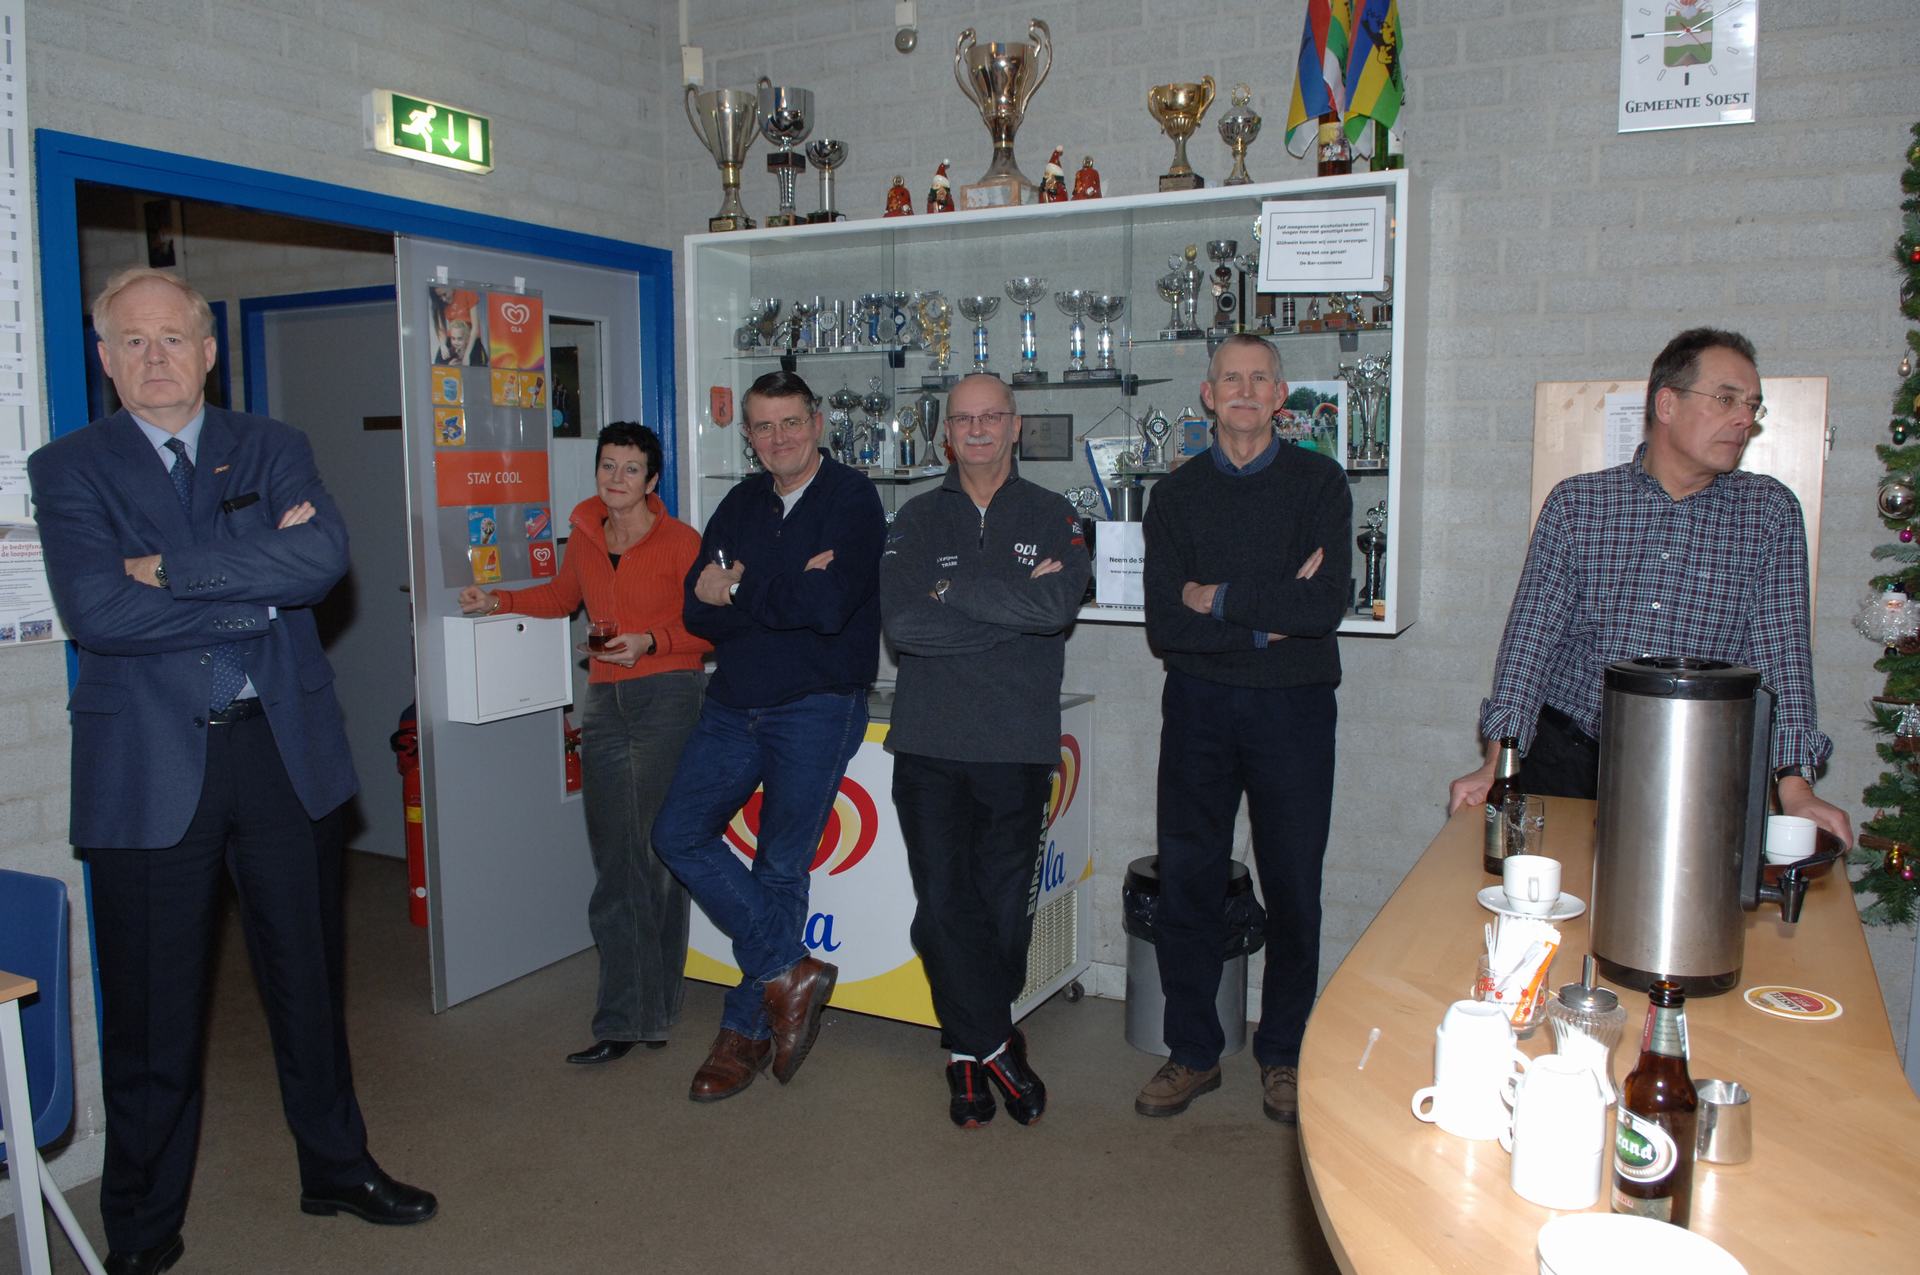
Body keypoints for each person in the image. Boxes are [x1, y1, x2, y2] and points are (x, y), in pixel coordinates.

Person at [29, 267, 434, 1275]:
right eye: (132, 341)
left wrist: (166, 569)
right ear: (105, 357)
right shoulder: (69, 467)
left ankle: (336, 1166)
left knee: (308, 984)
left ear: (208, 351)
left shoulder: (272, 445)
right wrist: (256, 583)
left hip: (279, 753)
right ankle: (141, 1228)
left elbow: (320, 562)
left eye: (173, 337)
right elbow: (98, 613)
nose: (155, 357)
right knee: (153, 1013)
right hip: (146, 765)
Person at [1446, 327, 1852, 845]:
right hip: (1570, 759)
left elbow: (1783, 654)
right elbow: (1531, 643)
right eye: (1726, 399)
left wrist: (1795, 787)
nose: (1744, 419)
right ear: (1667, 404)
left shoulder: (1769, 512)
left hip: (1701, 767)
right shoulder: (1579, 504)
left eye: (1752, 406)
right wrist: (1497, 764)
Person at [651, 369, 886, 1103]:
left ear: (817, 423)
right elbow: (697, 611)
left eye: (790, 422)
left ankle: (742, 1031)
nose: (778, 437)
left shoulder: (853, 499)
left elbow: (829, 605)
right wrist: (784, 587)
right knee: (676, 833)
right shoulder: (739, 502)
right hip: (733, 702)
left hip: (817, 705)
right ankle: (789, 969)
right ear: (748, 436)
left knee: (780, 869)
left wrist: (742, 587)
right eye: (762, 426)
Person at [1136, 333, 1351, 1126]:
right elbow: (1167, 624)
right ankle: (1193, 1050)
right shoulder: (1176, 495)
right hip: (1198, 707)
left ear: (1281, 395)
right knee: (1189, 880)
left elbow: (1320, 606)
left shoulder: (1320, 483)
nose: (1246, 390)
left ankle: (1284, 1052)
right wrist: (1267, 620)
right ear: (1207, 393)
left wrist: (1218, 599)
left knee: (1294, 885)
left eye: (1261, 378)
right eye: (1232, 378)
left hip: (1294, 707)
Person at [458, 422, 709, 1066]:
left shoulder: (682, 542)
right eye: (608, 465)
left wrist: (650, 641)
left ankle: (642, 1012)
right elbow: (562, 596)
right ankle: (638, 1012)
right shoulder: (586, 534)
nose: (616, 478)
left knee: (652, 856)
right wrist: (498, 599)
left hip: (666, 699)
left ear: (652, 481)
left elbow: (711, 628)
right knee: (615, 859)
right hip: (603, 701)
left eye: (631, 469)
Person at [879, 373, 1090, 1128]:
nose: (977, 429)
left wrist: (952, 592)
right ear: (945, 434)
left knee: (1003, 912)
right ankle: (993, 1047)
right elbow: (904, 627)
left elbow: (1056, 608)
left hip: (1015, 744)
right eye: (963, 418)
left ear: (1015, 426)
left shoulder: (1054, 513)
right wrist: (1008, 604)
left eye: (991, 416)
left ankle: (968, 1051)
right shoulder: (914, 518)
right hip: (929, 744)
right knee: (942, 903)